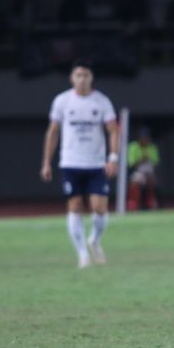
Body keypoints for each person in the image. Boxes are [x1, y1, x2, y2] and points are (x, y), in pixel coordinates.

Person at [41, 59, 119, 269]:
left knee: (99, 208)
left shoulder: (101, 101)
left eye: (86, 75)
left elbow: (113, 130)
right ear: (71, 78)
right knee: (75, 207)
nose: (82, 79)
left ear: (91, 77)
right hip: (70, 162)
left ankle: (94, 240)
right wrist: (46, 162)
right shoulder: (62, 101)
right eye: (78, 75)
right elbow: (53, 132)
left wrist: (113, 158)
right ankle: (82, 254)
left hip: (95, 164)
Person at [127, 127, 160, 210]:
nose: (146, 140)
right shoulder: (133, 146)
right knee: (135, 181)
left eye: (147, 138)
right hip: (137, 172)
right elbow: (131, 164)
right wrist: (142, 159)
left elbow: (155, 163)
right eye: (144, 137)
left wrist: (147, 160)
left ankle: (151, 203)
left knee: (151, 181)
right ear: (139, 138)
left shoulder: (152, 147)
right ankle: (133, 204)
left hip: (149, 172)